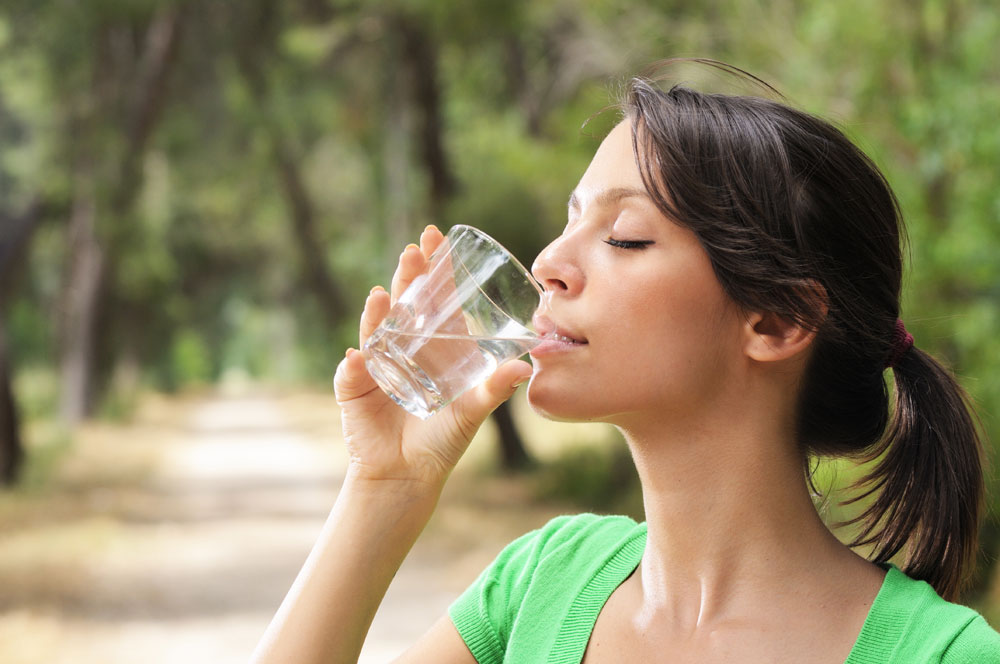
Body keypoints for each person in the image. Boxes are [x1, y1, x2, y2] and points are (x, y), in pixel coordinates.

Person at [250, 60, 1000, 663]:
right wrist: (385, 487)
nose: (548, 263)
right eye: (572, 221)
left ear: (775, 321)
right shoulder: (544, 582)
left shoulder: (940, 653)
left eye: (626, 237)